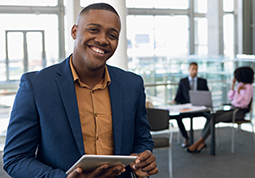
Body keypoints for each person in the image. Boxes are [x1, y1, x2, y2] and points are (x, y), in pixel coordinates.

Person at [3, 3, 158, 178]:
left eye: (112, 35)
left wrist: (140, 159)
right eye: (93, 30)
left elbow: (142, 139)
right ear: (75, 31)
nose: (102, 40)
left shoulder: (132, 84)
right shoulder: (37, 85)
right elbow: (15, 158)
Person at [187, 66, 254, 153]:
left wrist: (238, 92)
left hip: (239, 112)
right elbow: (231, 98)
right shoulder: (240, 85)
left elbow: (243, 103)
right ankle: (201, 141)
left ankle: (199, 142)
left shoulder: (249, 87)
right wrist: (233, 87)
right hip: (233, 109)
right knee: (212, 115)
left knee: (215, 119)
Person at [170, 62, 209, 148]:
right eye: (193, 69)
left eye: (196, 69)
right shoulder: (183, 81)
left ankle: (201, 139)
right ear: (189, 69)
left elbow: (206, 95)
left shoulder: (202, 81)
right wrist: (174, 101)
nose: (195, 71)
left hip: (199, 108)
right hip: (187, 108)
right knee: (178, 117)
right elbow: (179, 96)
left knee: (211, 117)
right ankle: (186, 138)